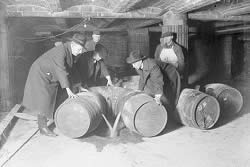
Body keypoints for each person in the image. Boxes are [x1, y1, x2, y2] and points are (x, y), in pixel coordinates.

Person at [22, 33, 88, 137]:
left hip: (51, 74)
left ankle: (56, 117)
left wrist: (79, 85)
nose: (80, 52)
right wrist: (68, 89)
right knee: (44, 99)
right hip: (40, 73)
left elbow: (72, 68)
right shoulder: (61, 51)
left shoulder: (71, 51)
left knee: (53, 96)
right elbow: (61, 70)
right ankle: (42, 128)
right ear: (73, 44)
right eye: (79, 49)